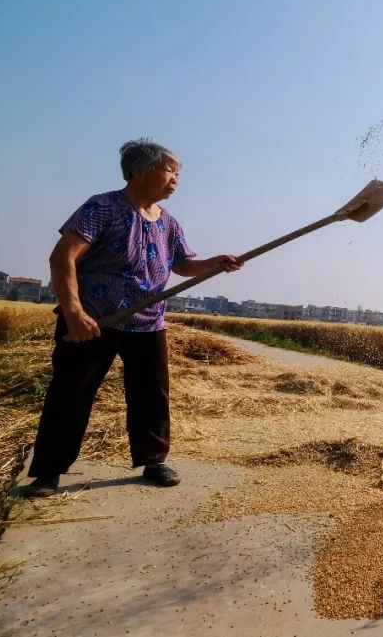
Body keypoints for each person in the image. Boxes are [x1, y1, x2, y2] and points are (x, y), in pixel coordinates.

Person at [22, 139, 241, 497]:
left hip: (147, 322)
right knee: (71, 393)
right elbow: (63, 258)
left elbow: (183, 265)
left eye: (178, 173)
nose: (176, 179)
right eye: (170, 170)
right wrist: (74, 313)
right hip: (93, 322)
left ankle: (153, 460)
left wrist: (215, 263)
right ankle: (47, 472)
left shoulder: (167, 222)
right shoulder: (102, 208)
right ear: (141, 170)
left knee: (151, 395)